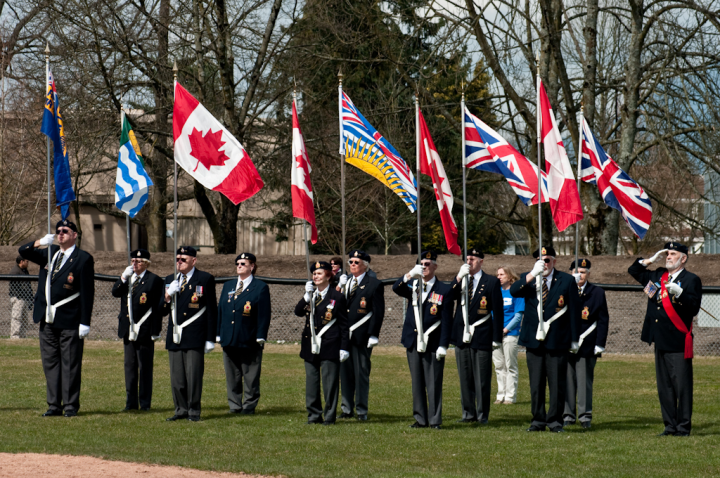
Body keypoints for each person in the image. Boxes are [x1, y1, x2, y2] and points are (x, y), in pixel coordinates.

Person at [19, 219, 95, 417]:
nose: (60, 234)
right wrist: (40, 242)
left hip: (70, 319)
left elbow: (87, 293)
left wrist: (85, 322)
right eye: (58, 231)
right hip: (47, 318)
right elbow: (23, 251)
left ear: (75, 235)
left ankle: (70, 405)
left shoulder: (83, 258)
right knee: (50, 363)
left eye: (65, 231)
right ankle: (54, 405)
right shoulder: (49, 254)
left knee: (70, 364)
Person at [628, 243, 701, 437]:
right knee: (665, 387)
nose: (668, 256)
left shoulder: (691, 279)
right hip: (659, 338)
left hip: (677, 339)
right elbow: (633, 270)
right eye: (667, 253)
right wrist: (650, 260)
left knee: (682, 386)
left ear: (683, 258)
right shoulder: (657, 275)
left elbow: (693, 307)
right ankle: (670, 426)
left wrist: (680, 293)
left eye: (673, 254)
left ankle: (683, 427)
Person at [510, 246, 580, 433]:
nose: (544, 263)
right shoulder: (530, 278)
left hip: (558, 340)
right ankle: (538, 420)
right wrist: (532, 274)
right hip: (534, 340)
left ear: (554, 261)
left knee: (557, 383)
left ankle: (555, 421)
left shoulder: (566, 280)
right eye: (540, 260)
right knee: (536, 383)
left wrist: (575, 339)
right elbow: (514, 291)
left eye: (547, 260)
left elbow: (574, 310)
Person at [392, 251, 453, 429]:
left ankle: (434, 419)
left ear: (435, 266)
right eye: (422, 264)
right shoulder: (412, 285)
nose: (425, 267)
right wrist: (410, 273)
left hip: (433, 342)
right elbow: (396, 288)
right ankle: (420, 418)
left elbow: (447, 320)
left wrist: (444, 345)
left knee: (433, 382)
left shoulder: (444, 290)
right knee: (417, 381)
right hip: (413, 340)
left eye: (428, 264)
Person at [160, 246, 217, 422]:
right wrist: (168, 296)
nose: (179, 262)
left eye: (183, 259)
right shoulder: (171, 279)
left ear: (194, 260)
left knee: (193, 376)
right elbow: (161, 311)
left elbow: (212, 310)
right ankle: (180, 409)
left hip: (195, 334)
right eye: (177, 259)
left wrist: (210, 338)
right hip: (175, 335)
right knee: (177, 377)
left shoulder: (204, 279)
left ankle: (193, 410)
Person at [447, 248, 503, 424]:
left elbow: (498, 311)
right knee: (465, 377)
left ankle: (482, 414)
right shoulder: (461, 279)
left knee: (482, 378)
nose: (469, 261)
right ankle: (467, 413)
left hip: (482, 334)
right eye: (467, 259)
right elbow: (448, 297)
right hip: (461, 333)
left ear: (481, 261)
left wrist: (497, 338)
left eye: (473, 258)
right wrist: (457, 278)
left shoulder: (491, 282)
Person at [294, 261, 349, 425]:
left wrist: (344, 347)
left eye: (319, 273)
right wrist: (305, 296)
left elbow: (344, 325)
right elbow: (298, 312)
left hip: (330, 343)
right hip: (310, 344)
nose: (315, 277)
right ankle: (313, 415)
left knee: (329, 383)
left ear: (328, 275)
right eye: (314, 274)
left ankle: (330, 416)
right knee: (312, 382)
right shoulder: (310, 295)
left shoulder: (337, 297)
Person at [217, 252, 271, 415]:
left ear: (252, 266)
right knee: (232, 375)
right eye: (237, 264)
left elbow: (264, 313)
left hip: (249, 337)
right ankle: (234, 405)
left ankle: (249, 405)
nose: (239, 266)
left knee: (250, 374)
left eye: (243, 264)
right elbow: (222, 310)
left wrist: (261, 334)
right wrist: (219, 332)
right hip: (229, 336)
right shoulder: (228, 285)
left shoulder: (260, 287)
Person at [111, 249, 164, 412]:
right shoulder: (128, 278)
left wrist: (156, 330)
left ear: (146, 264)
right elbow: (115, 292)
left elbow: (158, 307)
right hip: (128, 329)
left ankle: (145, 403)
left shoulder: (153, 280)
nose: (135, 264)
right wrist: (122, 277)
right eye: (133, 261)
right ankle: (130, 402)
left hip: (145, 329)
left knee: (145, 368)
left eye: (139, 261)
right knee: (130, 367)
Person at [337, 249, 385, 421]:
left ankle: (362, 410)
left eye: (356, 262)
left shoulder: (374, 284)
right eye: (350, 262)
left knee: (361, 374)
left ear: (365, 265)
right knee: (345, 374)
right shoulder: (345, 282)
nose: (352, 265)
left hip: (361, 336)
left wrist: (374, 334)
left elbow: (378, 312)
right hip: (344, 337)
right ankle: (346, 408)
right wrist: (339, 287)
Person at [563, 258, 609, 429]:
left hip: (587, 344)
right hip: (566, 343)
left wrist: (600, 344)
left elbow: (603, 319)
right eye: (576, 272)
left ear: (588, 274)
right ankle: (567, 415)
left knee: (584, 382)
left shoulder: (597, 292)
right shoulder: (565, 290)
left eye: (582, 272)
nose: (579, 275)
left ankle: (584, 416)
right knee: (567, 381)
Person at [493, 265, 524, 405]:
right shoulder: (495, 292)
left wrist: (505, 330)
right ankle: (500, 395)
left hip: (510, 334)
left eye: (501, 275)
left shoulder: (516, 292)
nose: (498, 277)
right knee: (499, 366)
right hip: (495, 334)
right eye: (498, 275)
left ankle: (510, 396)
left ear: (510, 277)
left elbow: (518, 316)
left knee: (510, 365)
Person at [9, 255, 33, 339]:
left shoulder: (24, 271)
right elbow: (13, 286)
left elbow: (28, 286)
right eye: (26, 261)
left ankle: (22, 336)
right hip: (18, 298)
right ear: (21, 261)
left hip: (24, 298)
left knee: (24, 319)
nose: (28, 263)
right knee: (16, 317)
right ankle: (15, 336)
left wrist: (30, 298)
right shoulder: (15, 271)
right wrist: (19, 297)